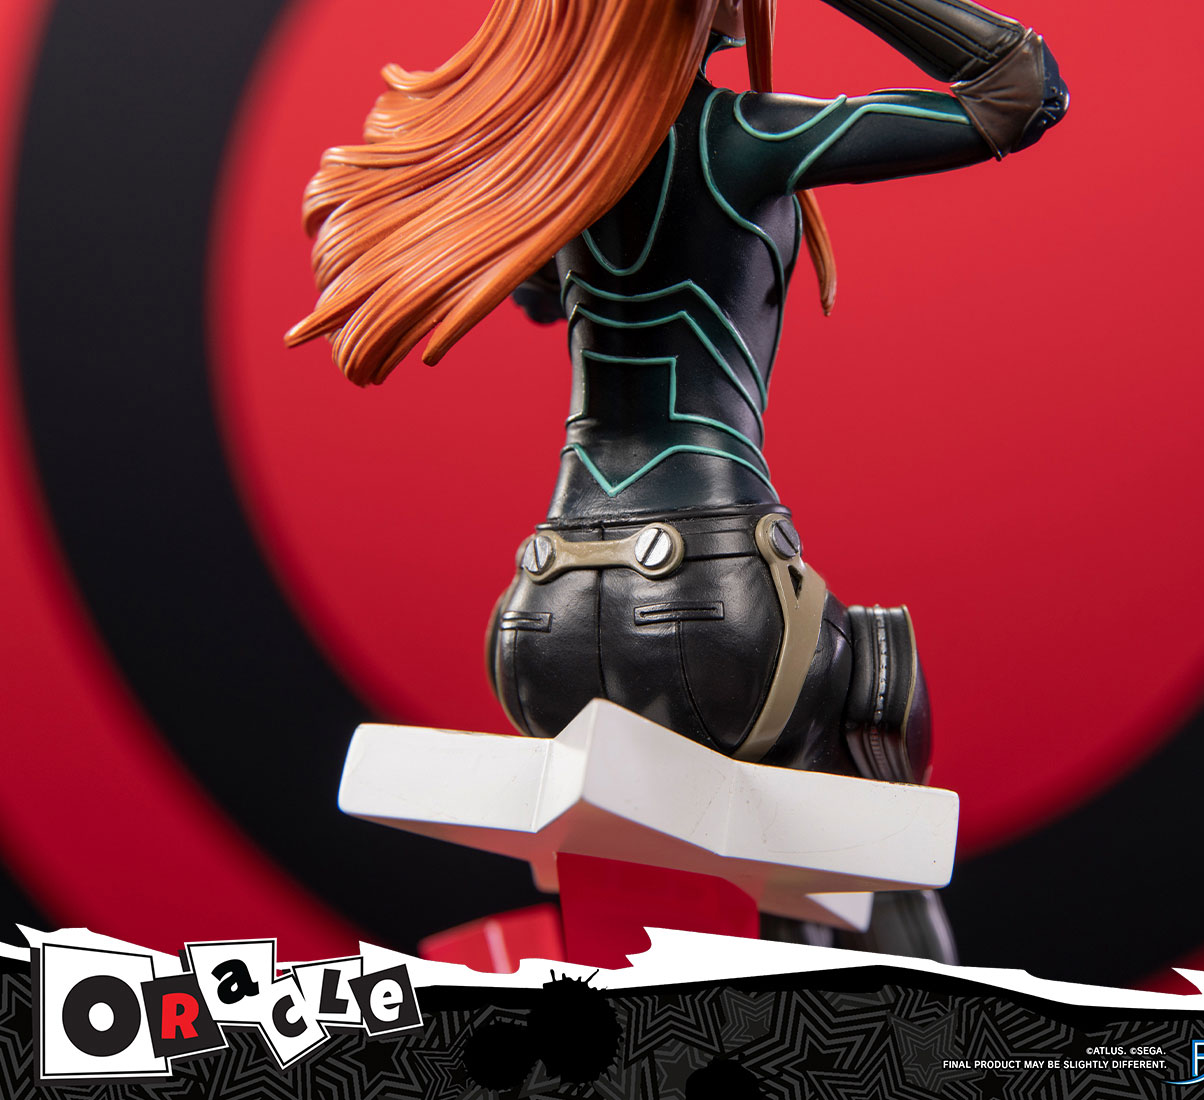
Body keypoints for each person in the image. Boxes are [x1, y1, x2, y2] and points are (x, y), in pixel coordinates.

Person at [288, 0, 1067, 962]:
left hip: (541, 621)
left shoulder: (563, 153)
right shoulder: (744, 137)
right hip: (719, 609)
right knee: (875, 696)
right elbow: (1021, 92)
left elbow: (539, 294)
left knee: (698, 859)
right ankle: (916, 1019)